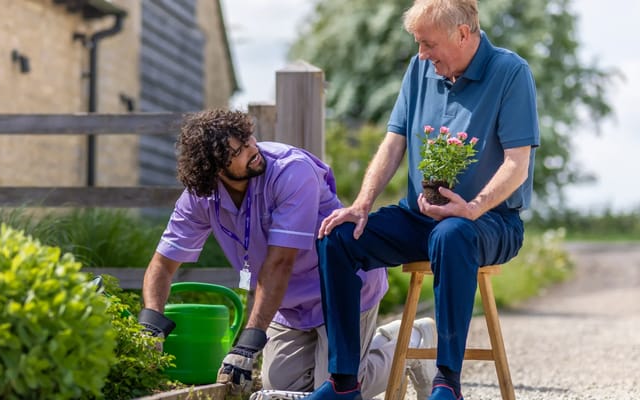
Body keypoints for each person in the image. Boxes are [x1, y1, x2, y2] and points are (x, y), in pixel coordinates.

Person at [305, 0, 540, 399]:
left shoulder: (510, 72)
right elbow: (394, 142)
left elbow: (517, 163)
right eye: (418, 44)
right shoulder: (420, 70)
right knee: (338, 239)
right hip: (420, 219)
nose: (421, 54)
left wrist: (472, 208)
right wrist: (361, 203)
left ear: (462, 34)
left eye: (428, 44)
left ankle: (447, 382)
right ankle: (345, 382)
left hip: (491, 222)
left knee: (451, 235)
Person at [138, 108, 437, 399]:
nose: (252, 148)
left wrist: (248, 343)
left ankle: (407, 341)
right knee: (282, 389)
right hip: (287, 303)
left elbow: (280, 263)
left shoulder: (290, 171)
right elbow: (163, 264)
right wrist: (151, 322)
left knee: (336, 388)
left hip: (341, 288)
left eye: (248, 139)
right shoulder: (201, 197)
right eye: (239, 150)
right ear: (215, 167)